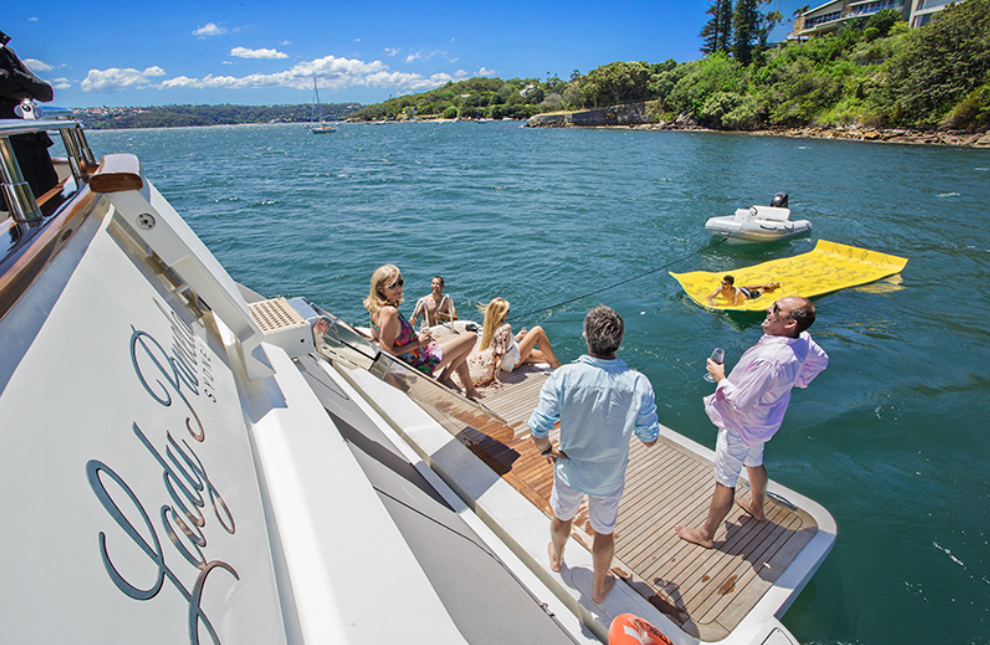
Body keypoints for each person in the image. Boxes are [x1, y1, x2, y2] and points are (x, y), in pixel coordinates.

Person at [529, 305, 659, 603]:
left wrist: (547, 450)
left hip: (569, 469)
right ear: (620, 341)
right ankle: (599, 589)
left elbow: (538, 428)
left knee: (562, 517)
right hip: (609, 476)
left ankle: (558, 558)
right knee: (604, 532)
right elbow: (650, 439)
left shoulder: (564, 377)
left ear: (586, 338)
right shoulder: (639, 383)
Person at [676, 296, 828, 549]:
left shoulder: (770, 359)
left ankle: (705, 534)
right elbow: (822, 360)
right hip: (765, 423)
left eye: (776, 309)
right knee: (755, 462)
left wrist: (720, 377)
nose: (768, 309)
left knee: (725, 479)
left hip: (740, 426)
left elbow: (741, 402)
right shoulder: (802, 341)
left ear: (790, 322)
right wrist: (796, 379)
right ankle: (757, 507)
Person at [363, 264, 483, 400]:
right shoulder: (390, 312)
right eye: (392, 285)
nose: (398, 288)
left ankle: (470, 390)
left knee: (457, 347)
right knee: (471, 337)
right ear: (380, 288)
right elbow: (387, 350)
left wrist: (416, 340)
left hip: (416, 354)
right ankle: (445, 377)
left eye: (400, 283)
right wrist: (418, 344)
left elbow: (376, 336)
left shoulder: (375, 310)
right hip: (420, 361)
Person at [0, 30, 59, 211]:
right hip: (6, 142)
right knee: (23, 204)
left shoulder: (6, 53)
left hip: (31, 137)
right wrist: (25, 88)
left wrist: (13, 73)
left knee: (50, 194)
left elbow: (46, 93)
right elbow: (4, 84)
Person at [468, 297, 561, 387]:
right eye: (507, 311)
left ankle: (554, 364)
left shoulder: (489, 325)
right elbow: (499, 354)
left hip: (512, 354)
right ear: (503, 314)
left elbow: (498, 343)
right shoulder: (505, 327)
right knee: (538, 331)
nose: (508, 313)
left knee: (546, 356)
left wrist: (515, 338)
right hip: (512, 361)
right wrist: (494, 376)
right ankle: (556, 365)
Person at [707, 275, 781, 306]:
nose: (723, 285)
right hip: (742, 289)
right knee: (747, 287)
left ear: (730, 285)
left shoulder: (736, 292)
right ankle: (766, 284)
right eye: (722, 283)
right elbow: (710, 296)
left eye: (725, 284)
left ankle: (773, 287)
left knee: (763, 291)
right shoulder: (720, 288)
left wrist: (719, 304)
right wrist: (711, 301)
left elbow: (735, 304)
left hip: (747, 295)